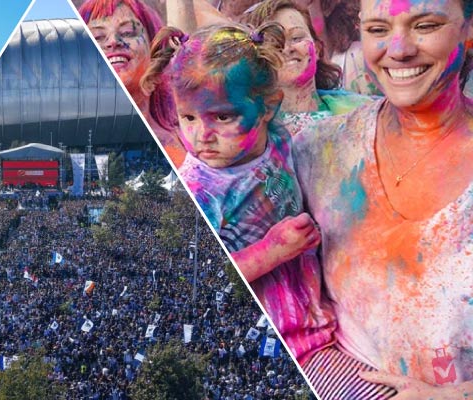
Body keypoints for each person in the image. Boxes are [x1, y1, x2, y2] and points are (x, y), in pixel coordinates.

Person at [293, 0, 473, 397]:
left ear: (467, 30)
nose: (398, 49)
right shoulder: (316, 153)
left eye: (424, 25)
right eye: (377, 30)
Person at [143, 21, 336, 364]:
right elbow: (206, 278)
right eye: (188, 118)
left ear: (267, 108)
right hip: (288, 341)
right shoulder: (199, 191)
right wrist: (271, 250)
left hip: (319, 309)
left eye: (222, 117)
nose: (202, 135)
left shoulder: (279, 137)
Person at [79, 0, 186, 167]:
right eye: (98, 37)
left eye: (128, 32)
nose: (113, 41)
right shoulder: (81, 145)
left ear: (155, 50)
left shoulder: (188, 134)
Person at [241, 0, 370, 135]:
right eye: (274, 42)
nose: (287, 48)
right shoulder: (249, 131)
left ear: (318, 49)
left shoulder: (362, 111)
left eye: (296, 38)